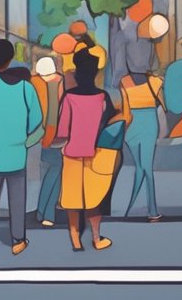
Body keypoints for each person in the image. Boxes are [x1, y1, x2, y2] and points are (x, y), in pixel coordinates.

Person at [0, 39, 42, 256]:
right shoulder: (26, 88)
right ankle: (18, 240)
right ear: (11, 59)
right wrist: (23, 143)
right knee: (17, 201)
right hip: (15, 156)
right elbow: (38, 125)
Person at [57, 49, 123, 251]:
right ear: (95, 74)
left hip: (72, 153)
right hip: (97, 154)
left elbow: (62, 130)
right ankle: (96, 238)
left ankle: (75, 240)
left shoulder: (69, 97)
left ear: (77, 73)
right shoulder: (102, 97)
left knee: (72, 199)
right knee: (95, 198)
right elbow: (111, 123)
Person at [119, 51, 165, 222]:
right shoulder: (156, 81)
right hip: (149, 123)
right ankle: (152, 210)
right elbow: (165, 105)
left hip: (132, 126)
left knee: (141, 167)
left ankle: (130, 207)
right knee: (147, 167)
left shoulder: (124, 82)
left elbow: (125, 114)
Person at [30, 56, 66, 227]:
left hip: (42, 132)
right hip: (56, 133)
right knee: (55, 171)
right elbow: (54, 112)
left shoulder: (35, 82)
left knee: (51, 171)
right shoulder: (58, 82)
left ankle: (43, 211)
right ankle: (47, 213)